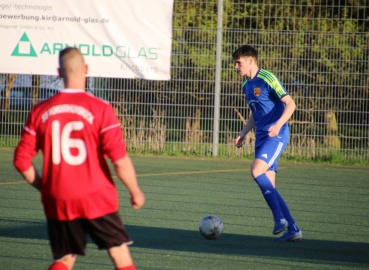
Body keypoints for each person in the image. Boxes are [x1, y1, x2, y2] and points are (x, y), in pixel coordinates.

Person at [13, 47, 145, 269]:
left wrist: (44, 186)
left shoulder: (40, 111)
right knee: (119, 253)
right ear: (86, 70)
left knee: (65, 258)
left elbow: (20, 161)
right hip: (97, 197)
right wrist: (135, 192)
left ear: (58, 72)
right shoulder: (101, 110)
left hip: (59, 198)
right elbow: (119, 161)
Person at [233, 45, 302, 242]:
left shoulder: (267, 78)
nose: (236, 67)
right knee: (270, 187)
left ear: (250, 61)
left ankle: (279, 219)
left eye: (238, 63)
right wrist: (243, 133)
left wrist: (278, 125)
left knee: (256, 171)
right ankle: (293, 229)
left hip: (276, 135)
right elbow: (256, 113)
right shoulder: (246, 86)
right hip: (262, 138)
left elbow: (291, 104)